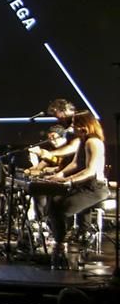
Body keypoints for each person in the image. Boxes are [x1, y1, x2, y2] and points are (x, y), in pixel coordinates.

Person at [44, 111, 108, 268]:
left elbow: (90, 171)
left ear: (84, 125)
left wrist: (68, 181)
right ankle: (60, 243)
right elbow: (75, 164)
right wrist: (59, 175)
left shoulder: (93, 142)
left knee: (61, 209)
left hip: (95, 188)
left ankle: (61, 246)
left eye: (75, 124)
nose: (72, 127)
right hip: (83, 185)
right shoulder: (83, 141)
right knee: (54, 202)